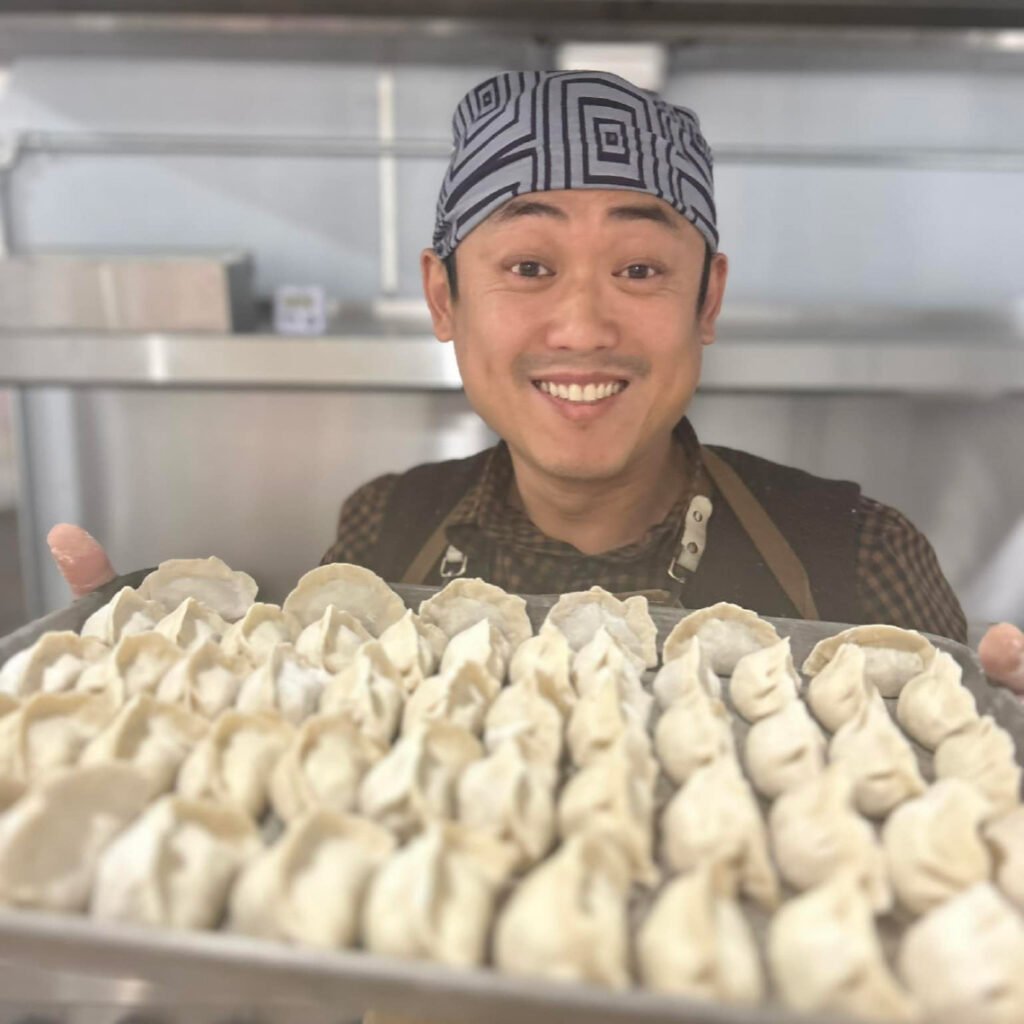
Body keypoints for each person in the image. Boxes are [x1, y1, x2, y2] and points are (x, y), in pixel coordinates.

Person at [47, 70, 1024, 691]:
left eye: (639, 269)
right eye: (527, 267)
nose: (584, 324)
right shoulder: (380, 532)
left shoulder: (858, 556)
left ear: (706, 298)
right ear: (444, 297)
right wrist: (138, 681)